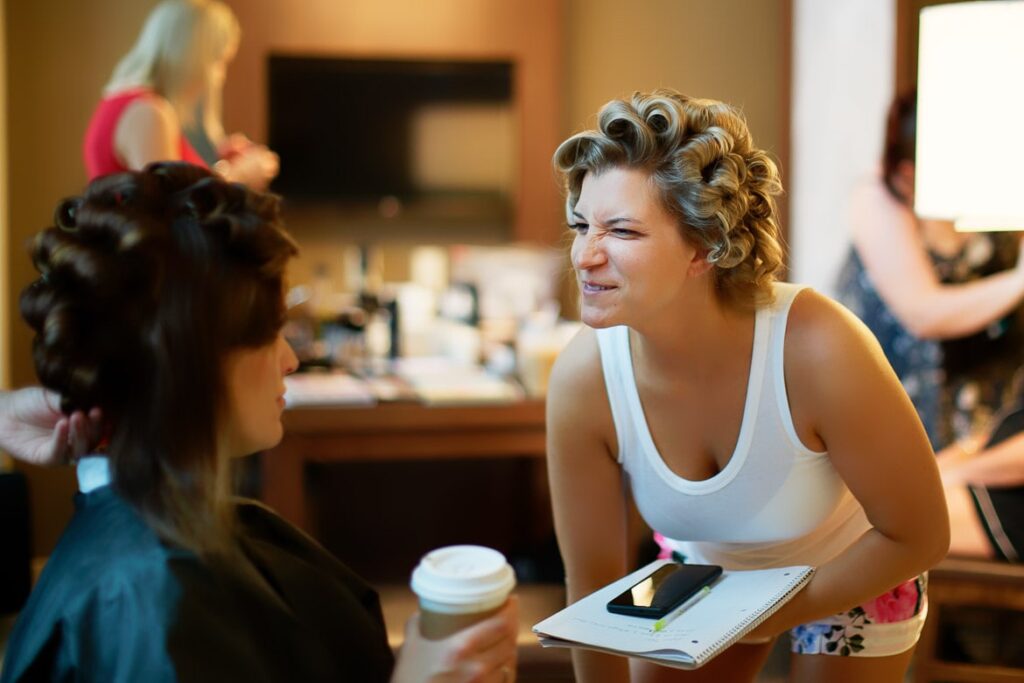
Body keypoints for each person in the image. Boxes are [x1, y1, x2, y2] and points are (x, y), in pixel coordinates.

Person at [0, 163, 517, 683]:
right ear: (191, 360)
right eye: (269, 332)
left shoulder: (152, 545)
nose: (290, 359)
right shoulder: (152, 593)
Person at [545, 89, 949, 683]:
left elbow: (919, 534)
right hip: (704, 569)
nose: (585, 255)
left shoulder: (818, 347)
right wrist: (724, 613)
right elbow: (594, 587)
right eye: (581, 225)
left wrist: (758, 618)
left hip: (856, 564)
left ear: (705, 248)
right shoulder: (585, 380)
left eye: (622, 232)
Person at [836, 91, 1024, 564]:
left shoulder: (997, 199)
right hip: (899, 390)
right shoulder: (879, 198)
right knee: (870, 526)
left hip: (980, 407)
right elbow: (923, 313)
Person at [82, 0, 278, 189]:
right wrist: (241, 176)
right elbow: (171, 211)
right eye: (219, 61)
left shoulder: (125, 101)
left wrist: (223, 165)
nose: (221, 76)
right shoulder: (149, 113)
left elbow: (178, 191)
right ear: (194, 60)